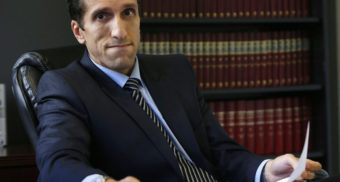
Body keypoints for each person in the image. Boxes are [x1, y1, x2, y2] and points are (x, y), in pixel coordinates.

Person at [35, 0, 322, 181]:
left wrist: (266, 170)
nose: (120, 31)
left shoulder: (175, 70)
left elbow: (220, 152)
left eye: (128, 13)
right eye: (101, 17)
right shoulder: (65, 85)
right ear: (78, 31)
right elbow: (57, 163)